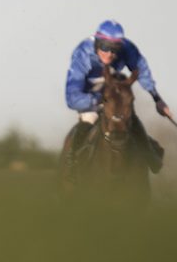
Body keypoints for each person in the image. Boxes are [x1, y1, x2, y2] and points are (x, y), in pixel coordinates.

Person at [62, 19, 170, 180]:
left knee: (128, 117)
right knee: (89, 118)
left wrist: (157, 99)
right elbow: (72, 97)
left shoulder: (128, 48)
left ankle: (150, 155)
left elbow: (143, 72)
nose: (110, 54)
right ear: (97, 43)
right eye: (105, 47)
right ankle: (72, 165)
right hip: (89, 93)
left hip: (112, 88)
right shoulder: (82, 53)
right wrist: (97, 102)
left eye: (115, 49)